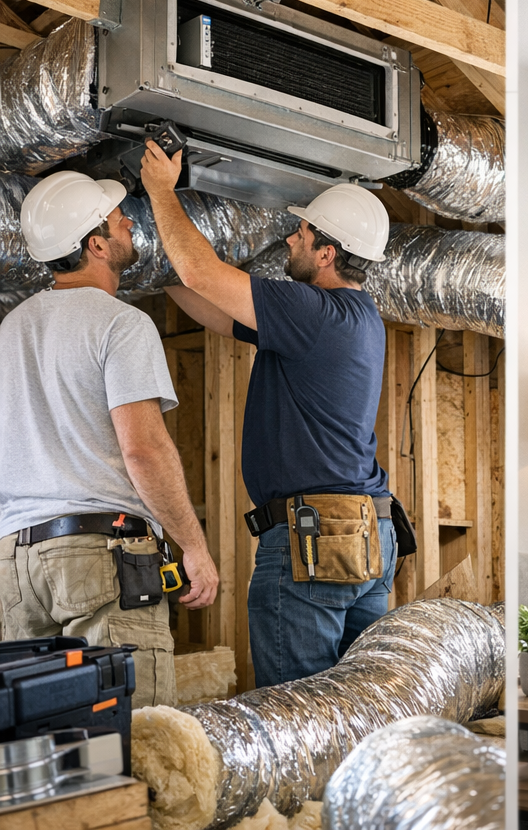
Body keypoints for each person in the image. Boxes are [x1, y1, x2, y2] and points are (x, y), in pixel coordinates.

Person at [139, 140, 396, 687]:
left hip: (312, 535)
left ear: (328, 254)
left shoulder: (312, 309)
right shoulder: (356, 317)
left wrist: (161, 192)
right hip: (365, 529)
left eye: (302, 233)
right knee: (357, 704)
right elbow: (216, 310)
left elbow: (204, 273)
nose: (291, 238)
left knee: (294, 715)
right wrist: (159, 272)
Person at [0, 171, 218, 706]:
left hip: (12, 562)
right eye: (117, 218)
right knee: (132, 735)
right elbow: (144, 451)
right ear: (96, 245)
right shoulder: (121, 324)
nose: (127, 221)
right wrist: (192, 546)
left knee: (40, 747)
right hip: (99, 554)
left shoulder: (10, 330)